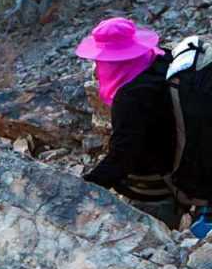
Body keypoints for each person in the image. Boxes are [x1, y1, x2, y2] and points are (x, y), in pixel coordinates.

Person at [77, 17, 186, 229]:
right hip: (177, 177)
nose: (98, 65)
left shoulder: (132, 97)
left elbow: (123, 155)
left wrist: (83, 187)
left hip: (152, 192)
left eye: (101, 59)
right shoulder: (161, 61)